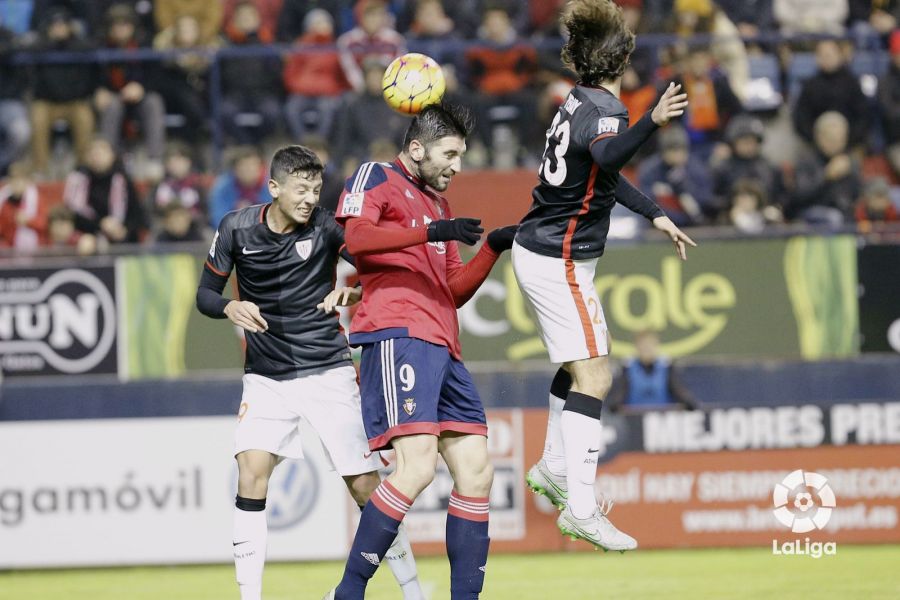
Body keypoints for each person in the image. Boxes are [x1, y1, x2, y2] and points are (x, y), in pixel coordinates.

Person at [195, 145, 424, 600]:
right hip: (266, 377)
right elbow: (205, 294)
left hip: (328, 370)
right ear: (274, 187)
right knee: (250, 473)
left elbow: (374, 270)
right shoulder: (235, 228)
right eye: (301, 189)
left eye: (316, 189)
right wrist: (229, 305)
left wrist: (354, 294)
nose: (309, 198)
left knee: (365, 489)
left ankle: (415, 592)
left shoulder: (326, 226)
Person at [511, 0, 695, 552]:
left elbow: (602, 173)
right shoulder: (611, 110)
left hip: (542, 249)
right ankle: (583, 509)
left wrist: (654, 213)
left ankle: (551, 467)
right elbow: (613, 153)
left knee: (577, 365)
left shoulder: (577, 101)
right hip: (559, 258)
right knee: (597, 376)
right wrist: (652, 121)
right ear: (622, 58)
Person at [324, 103, 519, 600]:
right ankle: (349, 591)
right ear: (416, 149)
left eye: (461, 155)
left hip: (444, 342)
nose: (457, 164)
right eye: (450, 153)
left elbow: (452, 288)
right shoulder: (377, 176)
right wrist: (429, 232)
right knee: (417, 467)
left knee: (477, 468)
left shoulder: (439, 206)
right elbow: (358, 237)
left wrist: (493, 248)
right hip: (397, 333)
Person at [607, 330, 700, 412]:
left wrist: (689, 403)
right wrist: (614, 406)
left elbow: (678, 391)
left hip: (662, 419)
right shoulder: (627, 368)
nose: (647, 349)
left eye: (650, 345)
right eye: (643, 345)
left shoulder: (667, 367)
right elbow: (620, 394)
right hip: (633, 419)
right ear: (637, 347)